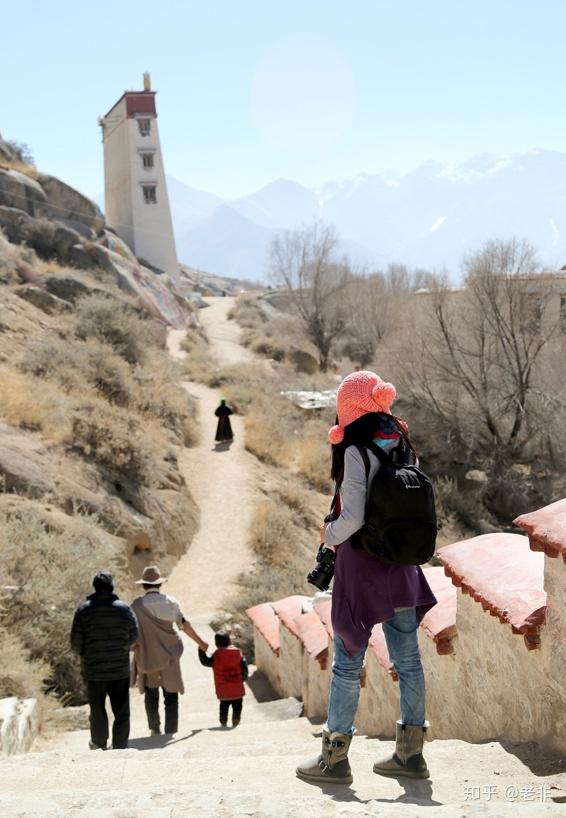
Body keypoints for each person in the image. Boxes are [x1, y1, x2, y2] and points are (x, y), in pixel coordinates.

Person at [296, 370, 437, 786]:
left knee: (346, 663)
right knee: (409, 662)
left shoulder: (357, 449)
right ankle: (410, 754)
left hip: (362, 567)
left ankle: (334, 758)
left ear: (349, 408)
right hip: (401, 562)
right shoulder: (401, 441)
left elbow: (353, 516)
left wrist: (328, 534)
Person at [131, 565, 208, 737]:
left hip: (147, 655)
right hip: (170, 654)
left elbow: (131, 632)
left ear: (144, 585)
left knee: (151, 694)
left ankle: (154, 728)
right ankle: (170, 730)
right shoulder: (171, 602)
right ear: (159, 584)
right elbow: (184, 625)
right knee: (171, 694)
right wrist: (201, 642)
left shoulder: (136, 606)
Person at [70, 571, 138, 751]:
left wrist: (88, 655)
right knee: (121, 710)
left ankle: (99, 743)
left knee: (98, 708)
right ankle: (120, 746)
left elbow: (75, 644)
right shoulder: (124, 609)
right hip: (119, 670)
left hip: (94, 671)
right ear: (112, 587)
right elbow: (134, 637)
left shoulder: (84, 610)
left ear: (94, 587)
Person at [198, 631, 248, 727]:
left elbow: (205, 661)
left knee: (224, 707)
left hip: (223, 690)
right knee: (237, 706)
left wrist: (201, 649)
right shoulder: (237, 653)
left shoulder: (216, 656)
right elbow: (244, 668)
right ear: (229, 641)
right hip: (237, 688)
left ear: (216, 644)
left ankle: (223, 722)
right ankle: (236, 721)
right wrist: (242, 680)